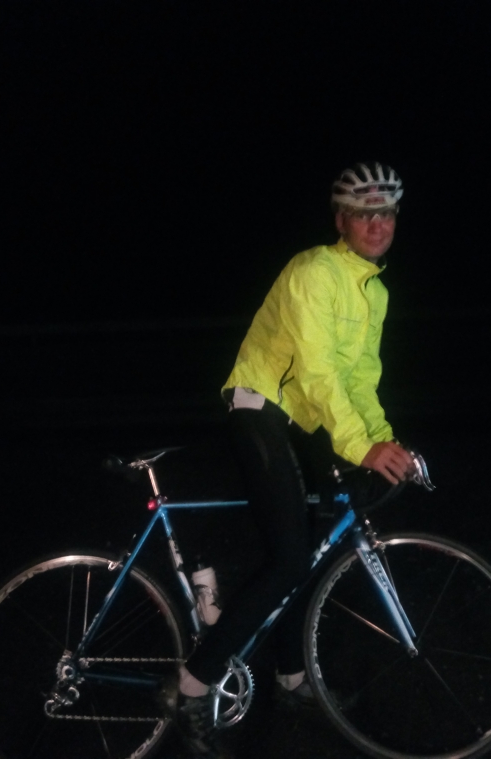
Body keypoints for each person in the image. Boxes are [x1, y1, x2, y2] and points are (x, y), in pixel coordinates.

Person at [172, 162, 415, 758]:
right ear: (341, 221)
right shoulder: (313, 271)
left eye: (385, 213)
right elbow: (318, 371)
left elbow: (360, 380)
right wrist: (360, 446)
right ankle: (191, 686)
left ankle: (290, 677)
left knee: (311, 549)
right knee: (287, 559)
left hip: (300, 416)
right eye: (363, 214)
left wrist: (385, 440)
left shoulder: (373, 290)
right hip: (259, 405)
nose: (377, 225)